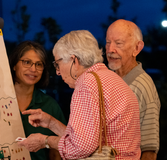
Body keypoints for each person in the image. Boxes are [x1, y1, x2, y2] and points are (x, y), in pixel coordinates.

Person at [18, 30, 141, 159]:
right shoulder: (109, 77)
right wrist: (51, 123)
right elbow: (85, 139)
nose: (58, 72)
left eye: (58, 64)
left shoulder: (86, 82)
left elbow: (80, 147)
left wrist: (45, 141)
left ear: (74, 61)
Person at [105, 19, 161, 160]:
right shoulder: (107, 79)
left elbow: (149, 150)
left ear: (137, 48)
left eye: (118, 43)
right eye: (107, 42)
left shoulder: (142, 86)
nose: (110, 49)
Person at [8, 40, 67, 160]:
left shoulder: (50, 106)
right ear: (14, 65)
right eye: (27, 62)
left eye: (39, 64)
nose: (33, 69)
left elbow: (57, 153)